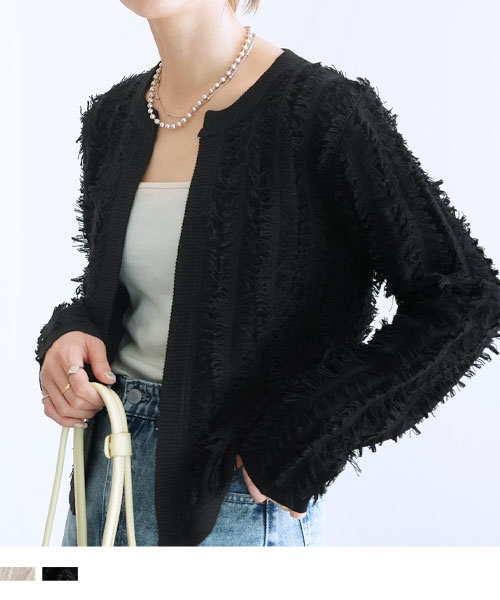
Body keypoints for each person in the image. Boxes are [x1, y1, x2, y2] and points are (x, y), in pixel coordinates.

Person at [36, 0, 500, 547]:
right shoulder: (114, 119)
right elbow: (139, 293)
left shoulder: (322, 112)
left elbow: (465, 296)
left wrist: (309, 434)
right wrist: (69, 335)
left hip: (232, 502)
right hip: (100, 480)